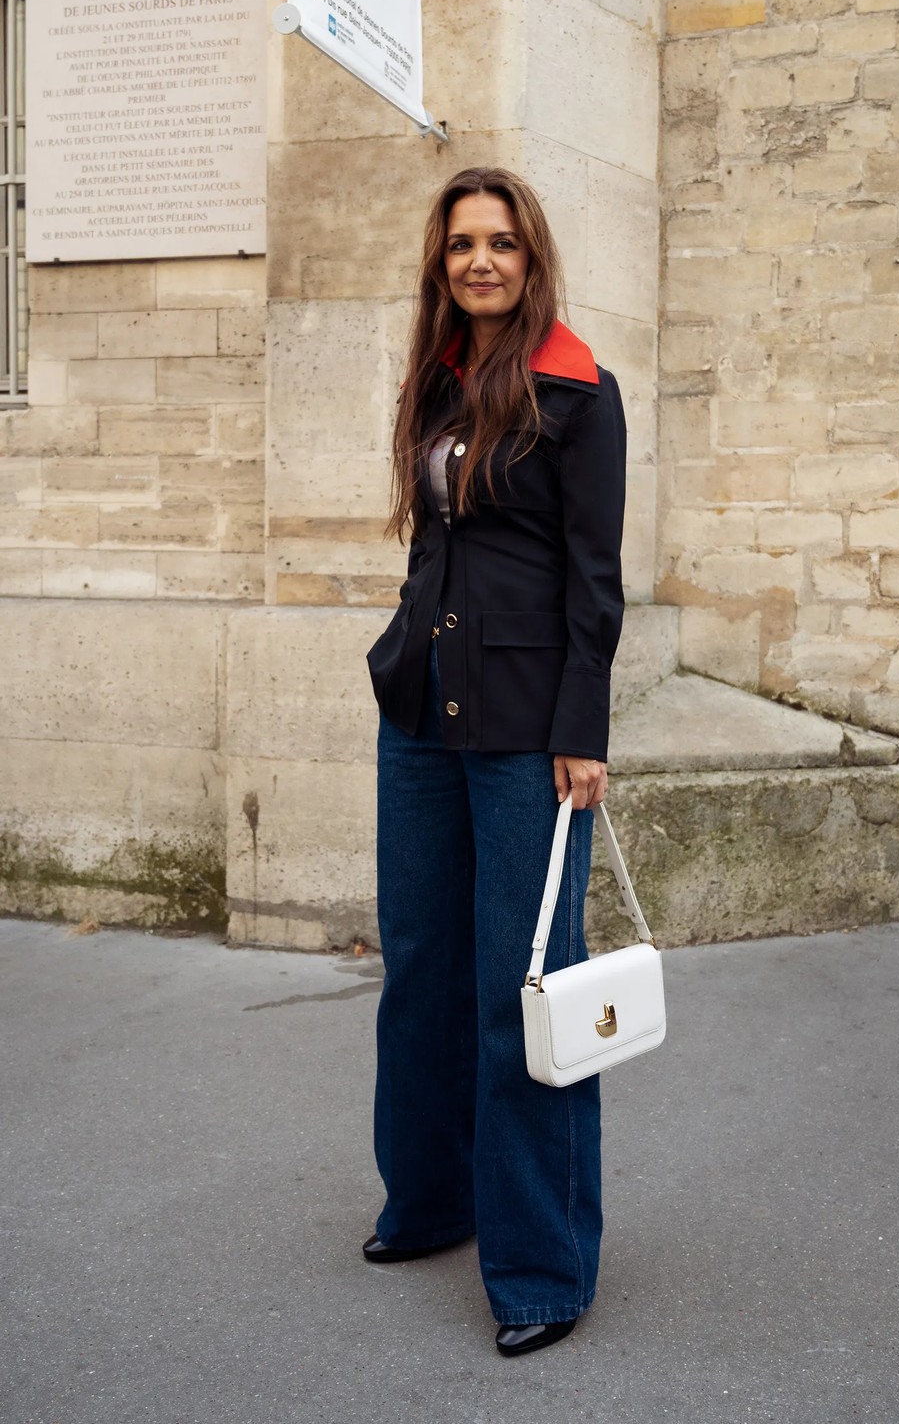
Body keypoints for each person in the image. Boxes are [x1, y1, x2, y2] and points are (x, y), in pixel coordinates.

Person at [364, 166, 627, 1358]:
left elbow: (594, 577)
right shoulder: (436, 377)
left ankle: (541, 1266)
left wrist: (584, 729)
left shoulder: (579, 390)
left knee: (525, 989)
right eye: (463, 244)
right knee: (421, 963)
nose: (480, 262)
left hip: (528, 730)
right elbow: (438, 540)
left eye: (502, 245)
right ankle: (432, 1200)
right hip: (422, 714)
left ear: (532, 259)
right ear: (443, 261)